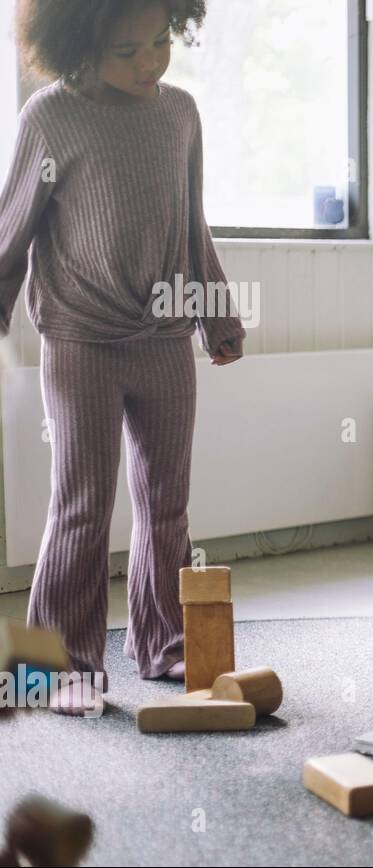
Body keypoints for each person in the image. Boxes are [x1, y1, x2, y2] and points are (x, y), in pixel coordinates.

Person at [0, 0, 245, 715]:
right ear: (77, 46)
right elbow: (12, 232)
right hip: (79, 340)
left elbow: (190, 220)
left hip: (165, 337)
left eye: (161, 41)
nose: (149, 63)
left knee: (166, 504)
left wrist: (216, 313)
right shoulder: (51, 116)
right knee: (80, 506)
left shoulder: (180, 114)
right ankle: (49, 668)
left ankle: (164, 646)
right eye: (125, 51)